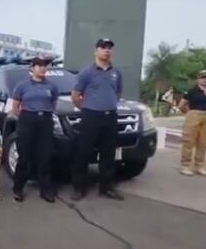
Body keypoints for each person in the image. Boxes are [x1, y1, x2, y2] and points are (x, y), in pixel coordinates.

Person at [71, 38, 124, 201]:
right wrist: (87, 108)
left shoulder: (117, 73)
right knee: (84, 153)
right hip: (91, 117)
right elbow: (75, 96)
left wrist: (108, 105)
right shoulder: (87, 72)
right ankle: (79, 188)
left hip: (110, 117)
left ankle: (106, 188)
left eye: (109, 48)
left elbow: (118, 93)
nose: (106, 50)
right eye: (103, 47)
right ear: (96, 51)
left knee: (108, 155)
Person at [11, 55, 59, 203]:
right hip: (27, 120)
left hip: (45, 121)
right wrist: (27, 118)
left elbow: (53, 103)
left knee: (45, 156)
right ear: (32, 68)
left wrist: (43, 114)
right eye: (39, 65)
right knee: (24, 156)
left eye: (45, 65)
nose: (42, 68)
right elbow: (15, 107)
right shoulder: (22, 86)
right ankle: (18, 188)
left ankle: (45, 190)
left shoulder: (52, 86)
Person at [178, 70, 206, 176]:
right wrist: (189, 113)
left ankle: (200, 166)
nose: (205, 79)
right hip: (194, 114)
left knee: (203, 142)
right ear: (198, 79)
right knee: (189, 141)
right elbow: (181, 105)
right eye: (202, 77)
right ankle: (186, 165)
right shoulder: (192, 91)